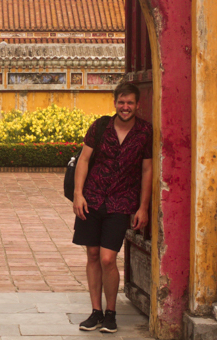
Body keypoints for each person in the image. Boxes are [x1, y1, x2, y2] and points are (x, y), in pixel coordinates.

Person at [72, 82, 153, 334]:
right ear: (115, 103)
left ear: (137, 105)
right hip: (92, 199)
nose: (125, 107)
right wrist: (77, 194)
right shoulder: (100, 127)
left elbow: (147, 169)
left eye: (130, 103)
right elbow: (84, 160)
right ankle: (95, 312)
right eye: (121, 102)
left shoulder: (145, 132)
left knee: (108, 259)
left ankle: (111, 312)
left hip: (121, 202)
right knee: (93, 255)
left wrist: (143, 207)